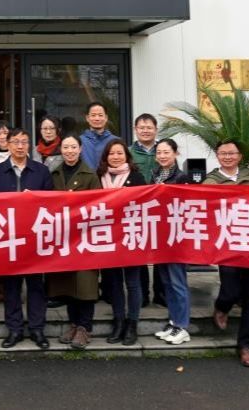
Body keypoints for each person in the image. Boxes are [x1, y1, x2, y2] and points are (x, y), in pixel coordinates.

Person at [0, 128, 53, 350]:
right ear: (7, 144)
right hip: (8, 237)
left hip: (34, 237)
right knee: (11, 286)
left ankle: (37, 328)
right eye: (15, 142)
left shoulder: (41, 171)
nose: (20, 146)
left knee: (36, 285)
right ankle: (14, 329)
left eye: (24, 141)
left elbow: (51, 204)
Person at [205, 138, 249, 368]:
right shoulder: (211, 181)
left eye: (232, 153)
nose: (228, 157)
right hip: (227, 244)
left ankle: (246, 346)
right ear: (217, 156)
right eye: (223, 153)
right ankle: (222, 307)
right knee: (230, 289)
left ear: (240, 156)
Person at [46, 134, 100, 349]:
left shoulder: (90, 175)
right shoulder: (55, 173)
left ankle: (85, 327)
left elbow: (99, 205)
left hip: (85, 237)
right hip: (63, 237)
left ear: (80, 149)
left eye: (73, 147)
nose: (69, 151)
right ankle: (74, 324)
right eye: (66, 147)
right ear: (61, 150)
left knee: (85, 285)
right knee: (67, 284)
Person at [96, 138, 147, 346]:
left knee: (133, 283)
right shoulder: (99, 176)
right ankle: (118, 321)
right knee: (114, 282)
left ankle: (132, 323)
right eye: (111, 153)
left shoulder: (136, 177)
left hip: (130, 235)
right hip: (107, 236)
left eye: (119, 153)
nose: (115, 157)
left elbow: (144, 205)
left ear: (127, 155)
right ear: (105, 157)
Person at [151, 138, 192, 345]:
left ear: (175, 153)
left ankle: (183, 326)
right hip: (160, 235)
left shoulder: (182, 177)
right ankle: (173, 321)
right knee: (166, 282)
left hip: (176, 236)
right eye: (159, 152)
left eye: (166, 152)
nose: (162, 156)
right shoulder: (155, 174)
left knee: (178, 282)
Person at [129, 113, 160, 307]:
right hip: (137, 209)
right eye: (142, 127)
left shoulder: (163, 150)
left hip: (160, 208)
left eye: (149, 127)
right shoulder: (128, 152)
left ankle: (160, 294)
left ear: (156, 130)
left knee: (161, 251)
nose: (145, 131)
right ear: (135, 129)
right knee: (139, 251)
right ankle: (143, 295)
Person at [80, 102, 119, 170]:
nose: (97, 118)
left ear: (106, 118)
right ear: (87, 118)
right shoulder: (79, 141)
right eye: (93, 115)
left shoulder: (116, 141)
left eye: (100, 115)